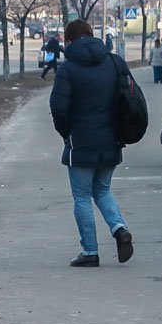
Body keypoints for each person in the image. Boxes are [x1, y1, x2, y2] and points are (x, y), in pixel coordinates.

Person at [48, 19, 134, 268]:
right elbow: (129, 97)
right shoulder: (114, 62)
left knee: (82, 196)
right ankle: (119, 230)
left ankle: (90, 251)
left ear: (69, 41)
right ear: (92, 35)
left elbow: (58, 106)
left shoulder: (68, 70)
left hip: (81, 142)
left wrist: (66, 132)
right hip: (112, 140)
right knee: (103, 190)